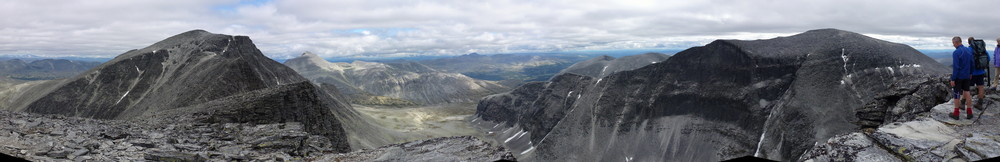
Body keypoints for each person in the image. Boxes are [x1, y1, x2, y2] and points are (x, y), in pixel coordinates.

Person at [951, 36, 975, 120]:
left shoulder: (956, 52)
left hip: (959, 76)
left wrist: (953, 79)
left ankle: (956, 113)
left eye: (953, 43)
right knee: (967, 92)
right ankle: (969, 112)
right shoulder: (968, 50)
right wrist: (971, 73)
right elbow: (972, 63)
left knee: (956, 93)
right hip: (967, 75)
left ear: (957, 42)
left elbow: (956, 67)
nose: (953, 45)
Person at [969, 37, 989, 109]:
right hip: (981, 72)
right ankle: (980, 103)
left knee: (967, 88)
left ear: (969, 43)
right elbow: (988, 58)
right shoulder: (982, 49)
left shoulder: (969, 50)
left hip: (972, 73)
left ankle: (965, 103)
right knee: (981, 87)